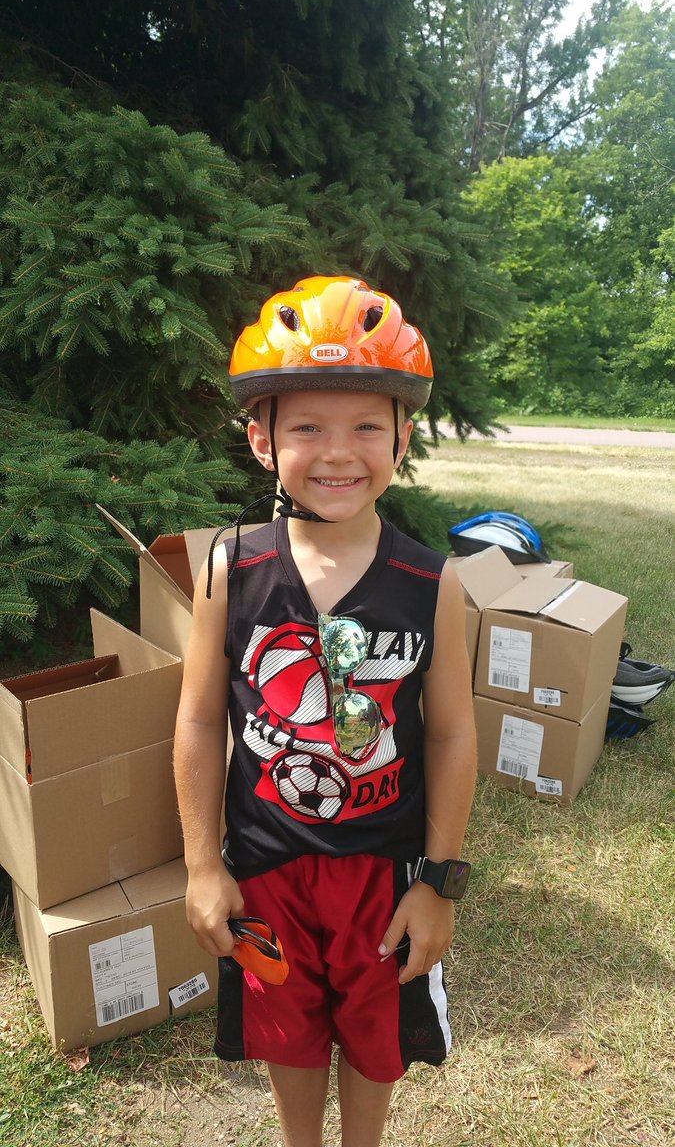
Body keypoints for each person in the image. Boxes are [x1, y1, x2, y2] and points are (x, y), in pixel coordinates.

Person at [173, 275, 477, 1147]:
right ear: (261, 440)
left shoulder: (433, 583)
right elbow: (198, 723)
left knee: (376, 1047)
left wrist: (438, 882)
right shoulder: (230, 568)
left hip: (382, 873)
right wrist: (202, 868)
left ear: (403, 436)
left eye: (365, 427)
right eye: (305, 425)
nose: (337, 452)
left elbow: (454, 734)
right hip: (267, 867)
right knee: (290, 1038)